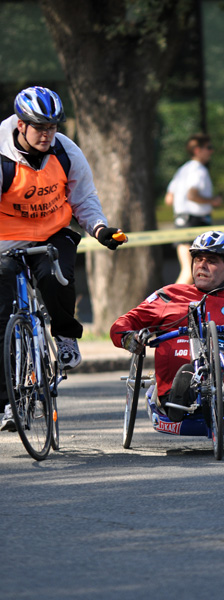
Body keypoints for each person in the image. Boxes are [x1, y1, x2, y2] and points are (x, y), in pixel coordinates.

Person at [0, 85, 126, 431]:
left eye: (53, 127)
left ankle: (65, 333)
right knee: (0, 313)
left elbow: (84, 198)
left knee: (57, 278)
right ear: (20, 125)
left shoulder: (66, 151)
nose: (47, 134)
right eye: (40, 127)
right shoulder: (1, 154)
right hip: (6, 240)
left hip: (53, 232)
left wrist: (101, 230)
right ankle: (6, 403)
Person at [110, 230, 224, 425]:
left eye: (211, 261)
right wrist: (129, 338)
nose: (202, 265)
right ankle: (178, 396)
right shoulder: (169, 295)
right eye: (198, 259)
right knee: (185, 376)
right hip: (176, 388)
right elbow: (120, 326)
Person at [164, 133, 223, 285]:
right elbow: (192, 195)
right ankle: (169, 306)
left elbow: (169, 199)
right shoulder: (199, 170)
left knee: (191, 271)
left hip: (181, 222)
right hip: (195, 223)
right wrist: (213, 201)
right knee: (192, 272)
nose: (211, 151)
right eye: (208, 147)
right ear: (197, 150)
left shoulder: (182, 170)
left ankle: (177, 306)